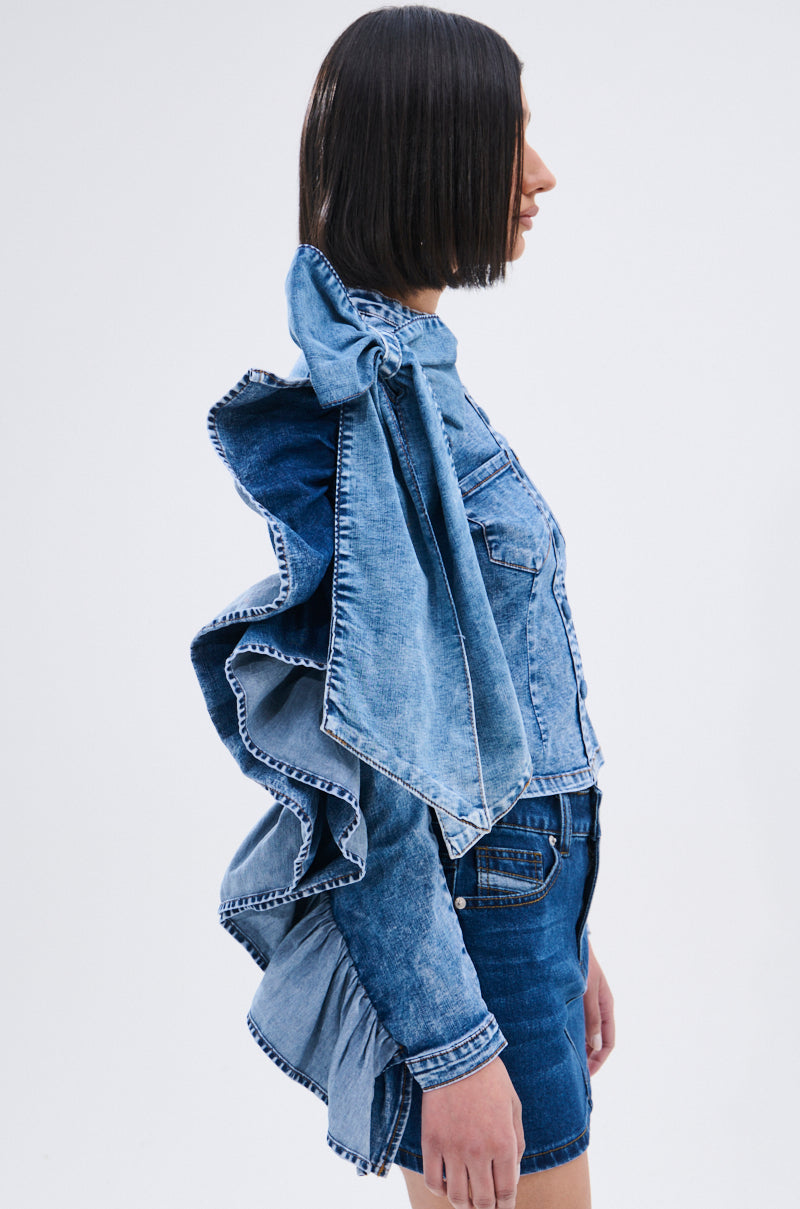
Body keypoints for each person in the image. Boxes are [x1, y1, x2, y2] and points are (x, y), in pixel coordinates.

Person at [190, 7, 615, 1209]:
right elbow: (375, 762)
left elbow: (479, 708)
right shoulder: (375, 402)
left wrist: (565, 929)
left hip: (519, 903)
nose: (538, 174)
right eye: (508, 137)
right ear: (432, 152)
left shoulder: (417, 369)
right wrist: (450, 1041)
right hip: (476, 917)